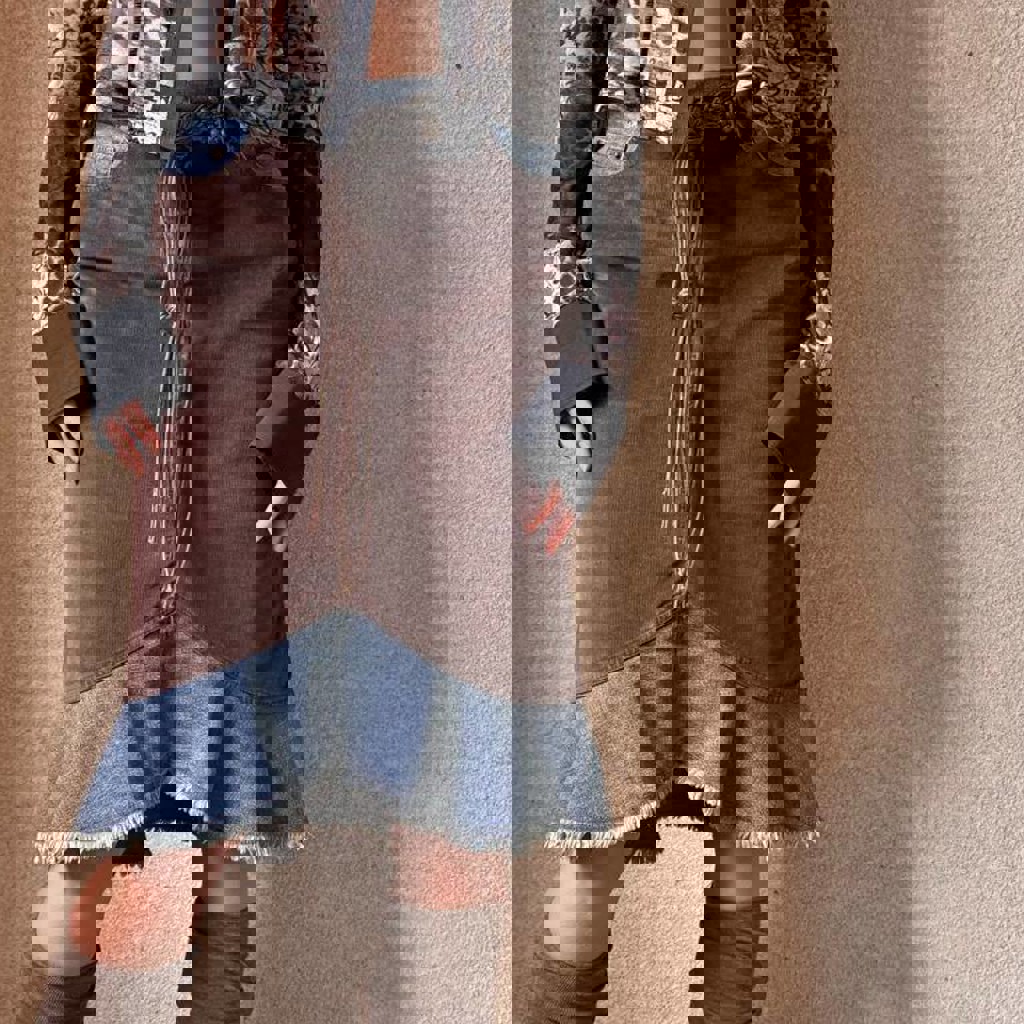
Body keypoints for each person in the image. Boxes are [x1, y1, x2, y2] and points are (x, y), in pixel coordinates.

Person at [18, 2, 325, 1021]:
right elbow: (67, 113)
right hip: (120, 289)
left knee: (231, 753)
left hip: (252, 303)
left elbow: (311, 171)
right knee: (95, 721)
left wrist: (299, 389)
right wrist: (55, 346)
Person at [529, 1, 835, 1020]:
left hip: (761, 289)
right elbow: (570, 128)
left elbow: (819, 151)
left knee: (746, 826)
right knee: (591, 827)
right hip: (633, 278)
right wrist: (568, 355)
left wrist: (810, 387)